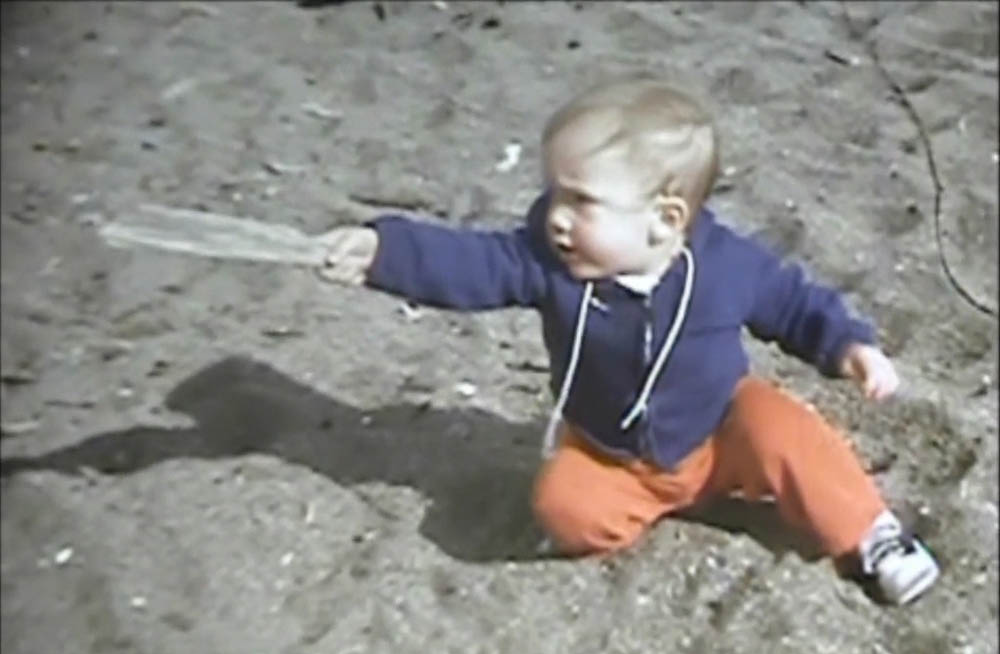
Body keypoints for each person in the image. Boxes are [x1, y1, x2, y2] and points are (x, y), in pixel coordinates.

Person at [316, 75, 939, 605]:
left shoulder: (723, 266)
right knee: (564, 508)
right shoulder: (548, 262)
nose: (557, 216)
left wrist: (849, 345)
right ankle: (656, 506)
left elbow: (792, 300)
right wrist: (384, 252)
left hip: (720, 433)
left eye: (581, 201)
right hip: (615, 450)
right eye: (555, 193)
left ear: (664, 219)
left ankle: (874, 535)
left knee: (787, 431)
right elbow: (470, 262)